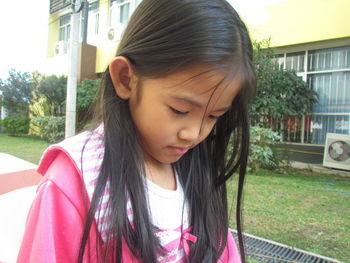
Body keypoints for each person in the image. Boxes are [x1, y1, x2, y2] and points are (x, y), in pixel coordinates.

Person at [17, 0, 256, 262]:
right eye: (179, 109)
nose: (194, 133)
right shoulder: (74, 183)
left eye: (213, 116)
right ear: (125, 78)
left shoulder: (196, 171)